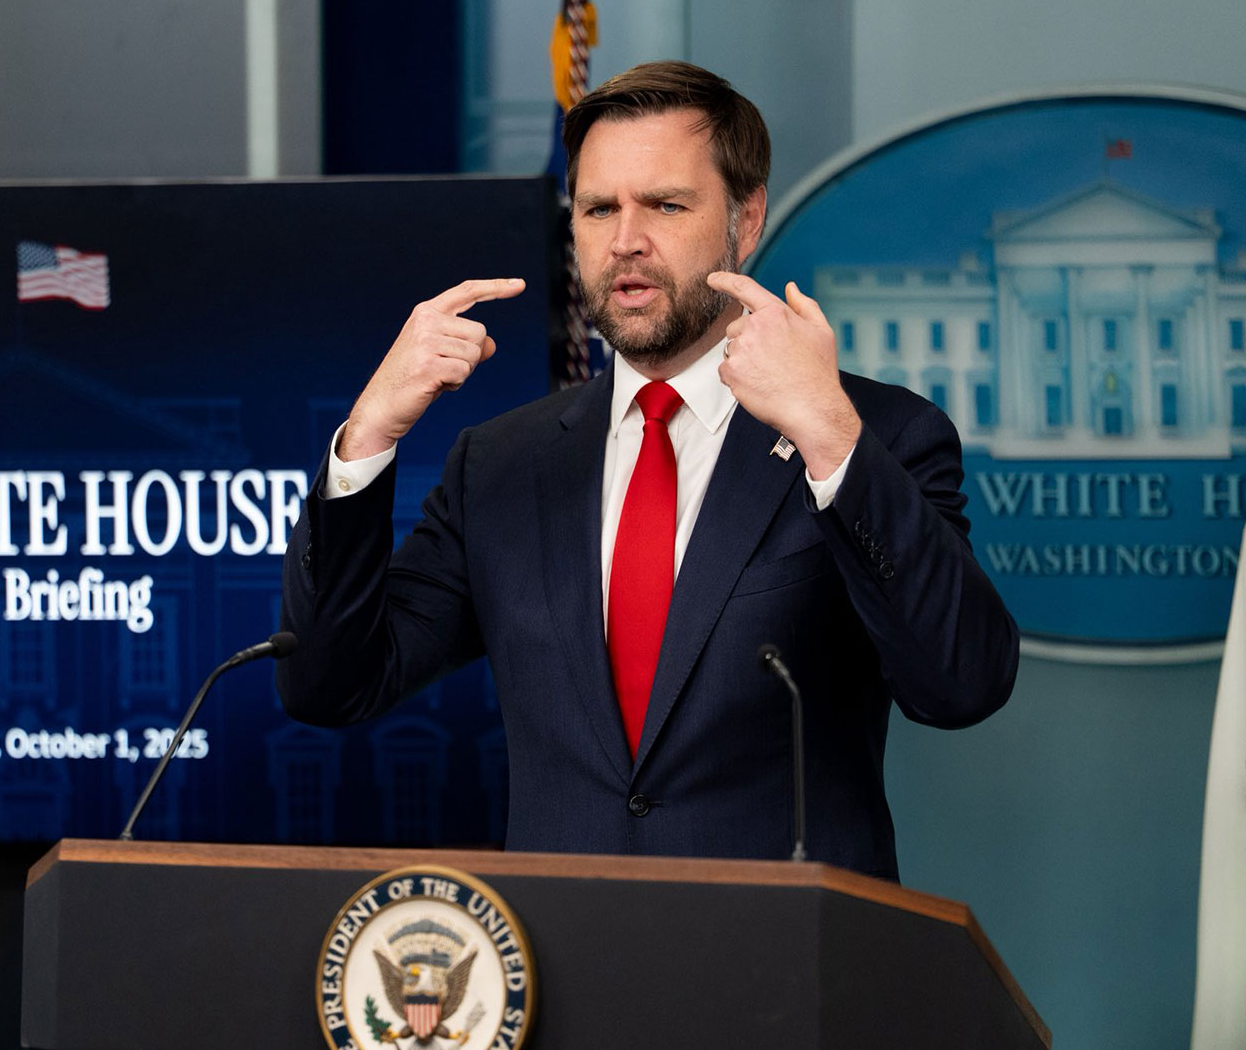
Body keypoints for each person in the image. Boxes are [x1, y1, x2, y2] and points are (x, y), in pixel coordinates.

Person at [276, 60, 1018, 880]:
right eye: (599, 208)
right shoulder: (502, 463)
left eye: (665, 205)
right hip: (563, 975)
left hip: (789, 976)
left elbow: (960, 685)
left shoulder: (878, 433)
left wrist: (831, 436)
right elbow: (328, 686)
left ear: (747, 219)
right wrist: (367, 437)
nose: (625, 238)